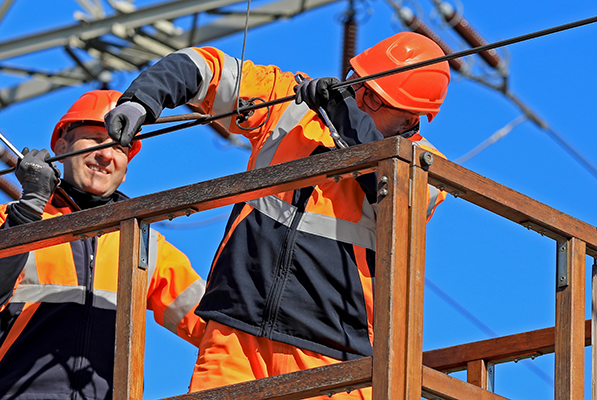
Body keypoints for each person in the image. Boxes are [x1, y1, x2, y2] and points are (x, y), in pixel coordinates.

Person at [104, 32, 451, 398]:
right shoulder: (289, 102)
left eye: (374, 99)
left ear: (410, 119)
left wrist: (343, 116)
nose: (357, 97)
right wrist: (141, 100)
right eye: (357, 82)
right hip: (235, 333)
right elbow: (203, 67)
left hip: (332, 355)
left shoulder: (425, 167)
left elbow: (396, 189)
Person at [0, 90, 206, 400]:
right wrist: (29, 209)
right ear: (61, 146)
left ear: (127, 161)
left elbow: (211, 323)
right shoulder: (11, 219)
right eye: (94, 140)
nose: (106, 155)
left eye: (120, 146)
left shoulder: (145, 244)